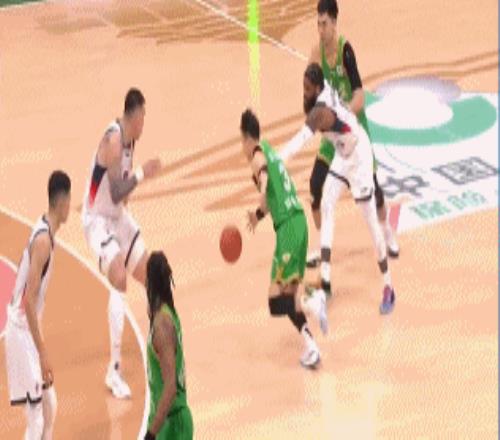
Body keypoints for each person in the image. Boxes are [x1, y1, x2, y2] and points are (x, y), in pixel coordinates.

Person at [282, 0, 399, 275]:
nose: (320, 29)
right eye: (318, 24)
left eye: (324, 24)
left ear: (334, 23)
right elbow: (310, 90)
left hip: (354, 129)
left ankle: (387, 233)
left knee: (374, 192)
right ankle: (321, 245)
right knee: (315, 186)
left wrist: (343, 112)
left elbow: (359, 94)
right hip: (332, 132)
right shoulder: (316, 53)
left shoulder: (345, 50)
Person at [280, 63, 396, 315]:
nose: (304, 92)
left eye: (307, 88)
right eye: (303, 87)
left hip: (359, 157)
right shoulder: (321, 93)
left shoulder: (320, 112)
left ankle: (388, 286)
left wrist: (277, 161)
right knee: (326, 203)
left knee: (370, 221)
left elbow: (300, 140)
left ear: (318, 88)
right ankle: (325, 281)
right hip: (343, 155)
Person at [82, 88, 161, 398]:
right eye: (144, 117)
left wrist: (134, 182)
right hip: (97, 221)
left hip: (117, 218)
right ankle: (113, 372)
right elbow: (115, 192)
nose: (145, 124)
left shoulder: (130, 141)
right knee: (118, 276)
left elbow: (121, 196)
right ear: (135, 115)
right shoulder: (114, 140)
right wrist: (142, 174)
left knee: (153, 277)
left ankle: (160, 344)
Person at [241, 108, 327, 369]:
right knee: (288, 295)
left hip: (288, 228)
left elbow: (264, 178)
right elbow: (272, 198)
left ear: (246, 138)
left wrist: (261, 189)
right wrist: (258, 215)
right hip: (298, 223)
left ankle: (313, 299)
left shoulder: (257, 156)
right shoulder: (270, 150)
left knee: (275, 300)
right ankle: (310, 346)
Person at [4, 170, 71, 439]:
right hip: (20, 334)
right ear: (63, 202)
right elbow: (29, 303)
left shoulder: (46, 232)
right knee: (35, 419)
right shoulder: (43, 242)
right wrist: (43, 353)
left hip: (27, 332)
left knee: (49, 406)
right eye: (69, 200)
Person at [144, 251, 193, 440]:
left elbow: (170, 387)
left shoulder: (162, 325)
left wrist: (150, 434)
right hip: (165, 422)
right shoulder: (165, 313)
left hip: (172, 425)